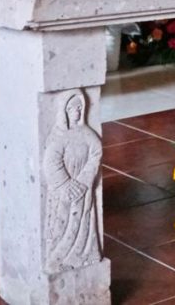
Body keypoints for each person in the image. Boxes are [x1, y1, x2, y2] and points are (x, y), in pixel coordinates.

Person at [44, 90, 103, 272]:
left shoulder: (88, 134)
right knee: (61, 223)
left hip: (83, 190)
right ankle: (57, 258)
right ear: (64, 111)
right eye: (71, 108)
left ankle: (85, 255)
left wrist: (84, 181)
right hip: (63, 191)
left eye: (79, 108)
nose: (76, 112)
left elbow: (96, 154)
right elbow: (51, 161)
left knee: (84, 223)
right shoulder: (59, 135)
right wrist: (65, 184)